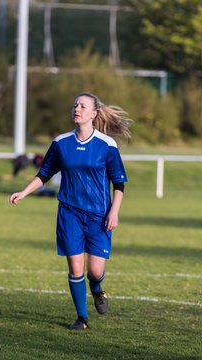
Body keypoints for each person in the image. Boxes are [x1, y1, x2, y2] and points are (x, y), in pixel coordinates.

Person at [9, 92, 131, 330]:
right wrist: (24, 192)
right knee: (75, 268)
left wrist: (114, 212)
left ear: (94, 114)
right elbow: (44, 174)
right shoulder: (61, 143)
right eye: (75, 105)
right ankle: (82, 318)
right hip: (69, 213)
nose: (77, 109)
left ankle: (97, 289)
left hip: (99, 216)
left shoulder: (107, 145)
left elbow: (119, 184)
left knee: (94, 271)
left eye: (83, 106)